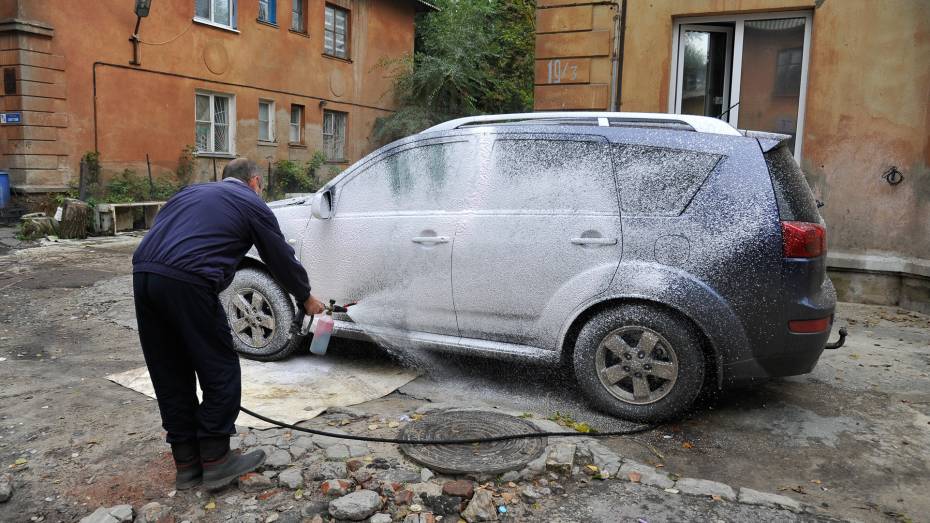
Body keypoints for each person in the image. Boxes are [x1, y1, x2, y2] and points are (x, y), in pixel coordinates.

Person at [132, 158, 325, 489]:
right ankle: (217, 459)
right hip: (189, 282)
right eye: (260, 187)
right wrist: (306, 297)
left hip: (143, 275)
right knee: (219, 368)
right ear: (254, 182)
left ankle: (188, 466)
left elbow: (173, 235)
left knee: (170, 372)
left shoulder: (189, 193)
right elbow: (280, 257)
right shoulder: (251, 203)